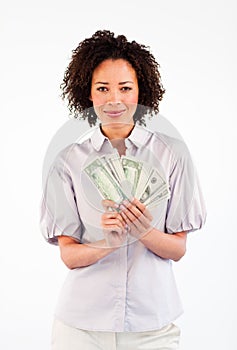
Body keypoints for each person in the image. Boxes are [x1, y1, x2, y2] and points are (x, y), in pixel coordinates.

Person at [40, 30, 206, 350]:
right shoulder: (66, 162)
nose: (114, 99)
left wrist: (143, 231)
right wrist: (107, 244)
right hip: (80, 327)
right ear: (88, 94)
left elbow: (178, 249)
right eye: (102, 88)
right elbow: (69, 255)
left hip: (153, 326)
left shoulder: (173, 155)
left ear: (141, 91)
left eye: (125, 88)